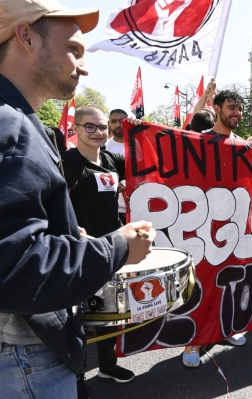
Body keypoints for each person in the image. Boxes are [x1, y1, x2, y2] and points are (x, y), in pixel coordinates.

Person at [0, 2, 156, 397]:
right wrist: (116, 247)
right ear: (26, 36)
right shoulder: (13, 127)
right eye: (73, 50)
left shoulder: (18, 120)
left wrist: (70, 236)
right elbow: (14, 269)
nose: (83, 67)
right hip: (24, 355)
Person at [61, 106, 135, 386]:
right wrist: (74, 233)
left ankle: (107, 365)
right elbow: (60, 207)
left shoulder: (112, 159)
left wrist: (138, 128)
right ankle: (77, 376)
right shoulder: (68, 163)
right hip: (80, 252)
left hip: (111, 248)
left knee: (111, 312)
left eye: (102, 127)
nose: (98, 132)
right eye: (89, 127)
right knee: (78, 318)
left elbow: (152, 157)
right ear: (76, 129)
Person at [182, 89, 247, 368]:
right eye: (231, 107)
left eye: (240, 109)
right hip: (204, 226)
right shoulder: (200, 140)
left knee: (231, 282)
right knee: (203, 283)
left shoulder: (244, 145)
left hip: (235, 227)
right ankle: (193, 341)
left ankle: (226, 329)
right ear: (216, 108)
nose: (237, 113)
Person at [105, 108, 128, 224]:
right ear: (109, 124)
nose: (118, 125)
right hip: (113, 209)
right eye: (114, 121)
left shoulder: (141, 144)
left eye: (122, 121)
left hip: (140, 207)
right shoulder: (103, 147)